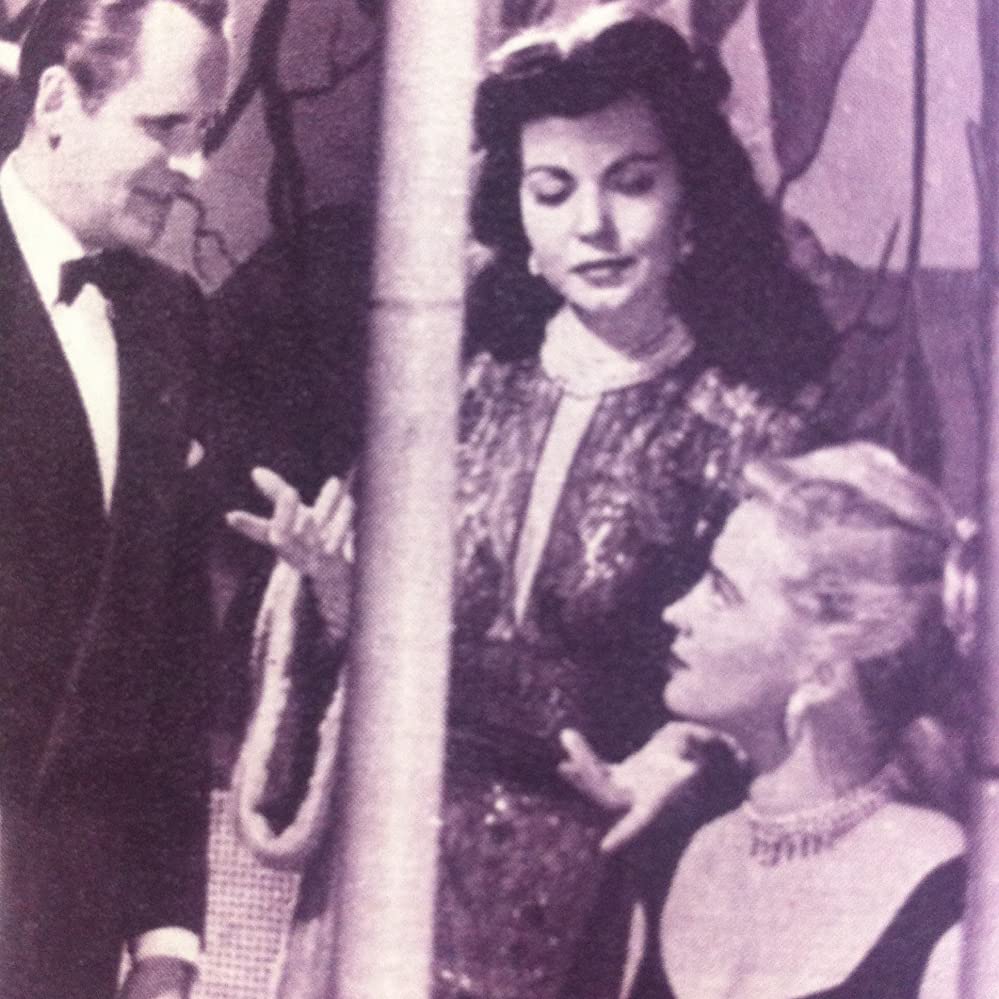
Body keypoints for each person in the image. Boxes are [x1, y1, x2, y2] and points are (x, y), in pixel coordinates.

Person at [228, 4, 840, 997]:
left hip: (600, 879)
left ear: (691, 193)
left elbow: (799, 677)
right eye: (552, 191)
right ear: (516, 209)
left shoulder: (753, 430)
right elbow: (370, 654)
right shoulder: (453, 379)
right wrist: (338, 600)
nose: (591, 226)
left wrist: (684, 755)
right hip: (386, 859)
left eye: (631, 183)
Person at [0, 0, 228, 996]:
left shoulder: (171, 321)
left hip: (72, 940)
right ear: (57, 101)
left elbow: (170, 656)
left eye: (204, 132)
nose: (193, 166)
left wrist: (166, 936)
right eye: (165, 126)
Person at [615, 442, 971, 999]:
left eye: (722, 592)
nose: (676, 612)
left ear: (823, 672)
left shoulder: (953, 905)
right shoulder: (675, 846)